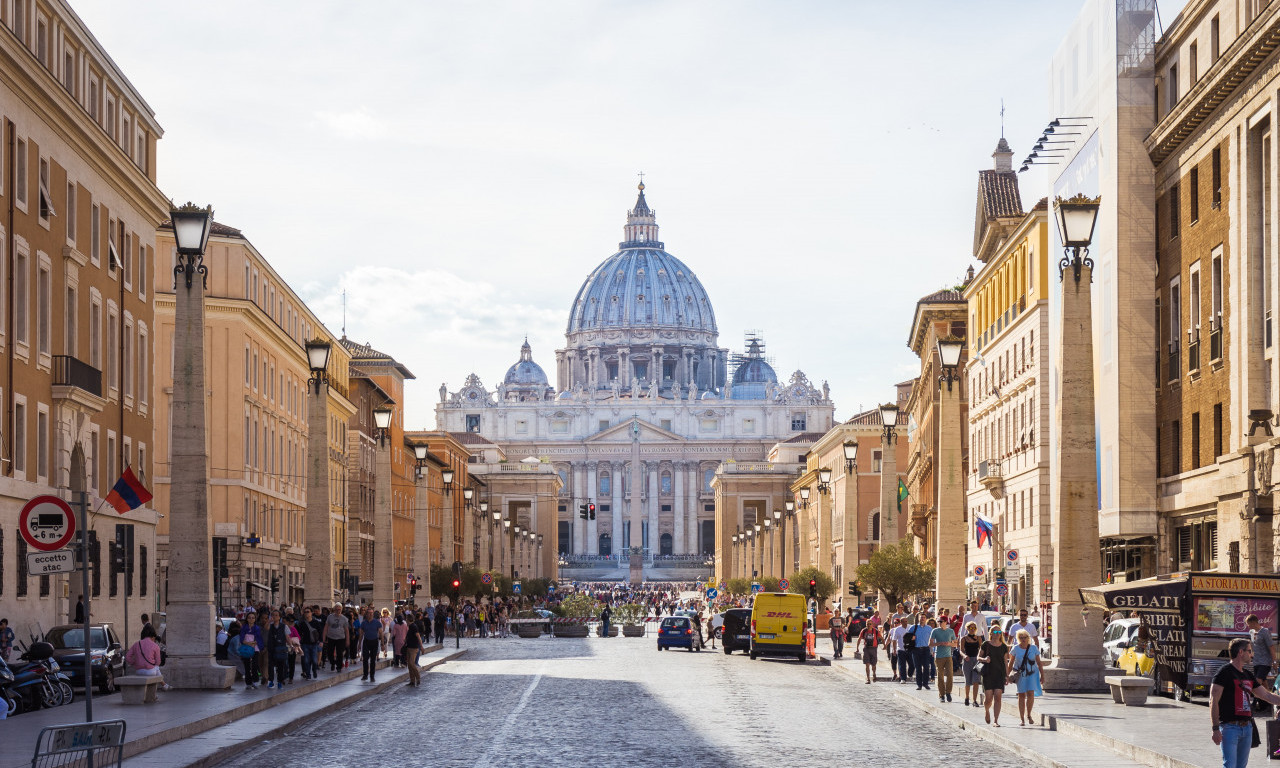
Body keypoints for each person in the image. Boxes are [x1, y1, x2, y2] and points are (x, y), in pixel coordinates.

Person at [1211, 637, 1280, 767]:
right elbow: (1213, 701)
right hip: (1229, 728)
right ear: (1240, 652)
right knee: (1230, 765)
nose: (1252, 654)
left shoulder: (1248, 674)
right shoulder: (1224, 673)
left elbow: (1266, 695)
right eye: (1249, 651)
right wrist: (1215, 729)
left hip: (1247, 728)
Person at [1011, 628, 1045, 725]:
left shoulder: (1034, 648)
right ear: (1018, 638)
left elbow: (1039, 662)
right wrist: (1007, 675)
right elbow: (1011, 663)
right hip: (1020, 674)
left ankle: (1029, 715)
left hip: (1032, 674)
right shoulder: (1015, 648)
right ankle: (1022, 719)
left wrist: (1042, 675)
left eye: (1025, 637)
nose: (1023, 639)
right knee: (1021, 695)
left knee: (1030, 694)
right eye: (1021, 637)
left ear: (1028, 638)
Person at [979, 627, 1009, 726]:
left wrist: (1007, 675)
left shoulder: (1004, 646)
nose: (997, 634)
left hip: (999, 675)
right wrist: (984, 659)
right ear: (991, 633)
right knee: (988, 698)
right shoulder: (985, 644)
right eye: (995, 632)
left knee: (998, 697)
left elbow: (1005, 662)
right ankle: (987, 710)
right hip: (988, 674)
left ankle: (996, 720)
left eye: (999, 632)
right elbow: (978, 657)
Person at [1247, 613, 1277, 711]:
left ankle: (1254, 703)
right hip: (1256, 661)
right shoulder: (1251, 632)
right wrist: (1250, 655)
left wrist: (1274, 662)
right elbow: (1252, 645)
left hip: (1265, 662)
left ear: (1254, 622)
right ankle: (1268, 704)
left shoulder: (1265, 632)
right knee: (1263, 684)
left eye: (1249, 624)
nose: (1248, 626)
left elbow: (1271, 647)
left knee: (1257, 681)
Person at [930, 612, 958, 703]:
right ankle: (941, 695)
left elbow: (956, 644)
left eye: (941, 621)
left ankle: (948, 692)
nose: (939, 623)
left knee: (950, 675)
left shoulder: (951, 631)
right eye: (938, 621)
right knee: (940, 676)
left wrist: (949, 644)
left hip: (948, 656)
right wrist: (939, 643)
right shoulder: (935, 631)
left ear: (946, 622)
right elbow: (930, 644)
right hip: (938, 656)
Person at [960, 621, 984, 707]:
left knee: (976, 681)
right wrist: (964, 656)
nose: (973, 629)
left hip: (977, 661)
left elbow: (981, 650)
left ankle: (974, 700)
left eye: (974, 628)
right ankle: (967, 697)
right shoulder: (963, 639)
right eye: (971, 628)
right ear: (967, 628)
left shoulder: (979, 638)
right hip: (967, 660)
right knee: (967, 681)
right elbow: (961, 650)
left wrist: (981, 659)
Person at [265, 610, 289, 689]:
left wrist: (291, 645)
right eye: (273, 615)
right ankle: (271, 681)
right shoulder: (270, 625)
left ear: (279, 617)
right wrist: (269, 621)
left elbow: (287, 637)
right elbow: (266, 628)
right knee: (270, 665)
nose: (274, 617)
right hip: (272, 648)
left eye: (276, 615)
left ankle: (279, 682)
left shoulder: (284, 626)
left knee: (280, 666)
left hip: (281, 648)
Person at [239, 613, 263, 690]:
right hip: (246, 648)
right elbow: (242, 639)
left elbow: (258, 638)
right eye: (249, 617)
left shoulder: (257, 628)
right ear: (247, 619)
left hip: (255, 648)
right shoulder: (244, 627)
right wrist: (248, 643)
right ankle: (248, 683)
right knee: (247, 666)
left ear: (255, 619)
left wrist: (253, 643)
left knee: (255, 665)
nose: (251, 619)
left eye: (253, 618)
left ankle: (255, 681)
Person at [324, 604, 349, 672]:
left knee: (340, 653)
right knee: (330, 653)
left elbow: (346, 630)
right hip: (331, 637)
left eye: (339, 609)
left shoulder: (344, 619)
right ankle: (332, 663)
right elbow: (326, 627)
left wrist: (347, 640)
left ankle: (339, 666)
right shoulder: (330, 617)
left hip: (341, 638)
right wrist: (324, 637)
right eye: (337, 609)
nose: (338, 611)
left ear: (341, 610)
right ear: (334, 610)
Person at [297, 607, 320, 679]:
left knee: (314, 659)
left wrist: (321, 641)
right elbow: (299, 633)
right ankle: (308, 674)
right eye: (305, 612)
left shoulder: (315, 622)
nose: (307, 613)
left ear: (311, 613)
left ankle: (314, 669)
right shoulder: (302, 623)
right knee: (306, 660)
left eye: (308, 612)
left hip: (314, 643)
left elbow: (320, 632)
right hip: (305, 644)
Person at [360, 607, 383, 682]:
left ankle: (372, 676)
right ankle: (365, 675)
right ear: (366, 614)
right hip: (366, 641)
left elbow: (381, 633)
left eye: (371, 613)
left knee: (373, 660)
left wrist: (382, 643)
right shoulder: (363, 623)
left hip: (374, 641)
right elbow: (361, 634)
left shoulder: (377, 622)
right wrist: (359, 644)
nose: (370, 614)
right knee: (365, 659)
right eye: (369, 613)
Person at [912, 618, 935, 690]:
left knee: (926, 667)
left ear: (925, 619)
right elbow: (907, 637)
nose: (922, 619)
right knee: (918, 668)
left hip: (926, 649)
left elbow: (932, 639)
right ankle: (919, 685)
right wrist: (911, 638)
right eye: (921, 617)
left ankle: (925, 683)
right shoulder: (913, 627)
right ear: (918, 619)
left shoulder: (929, 628)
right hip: (916, 649)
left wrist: (933, 650)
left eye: (924, 618)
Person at [403, 615, 423, 687]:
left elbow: (418, 636)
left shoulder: (414, 627)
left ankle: (418, 677)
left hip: (413, 648)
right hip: (409, 647)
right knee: (409, 665)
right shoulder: (410, 627)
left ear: (408, 620)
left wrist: (421, 646)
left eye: (406, 620)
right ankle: (412, 681)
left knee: (412, 663)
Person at [891, 616, 912, 683]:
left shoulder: (910, 627)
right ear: (901, 622)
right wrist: (894, 650)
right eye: (903, 621)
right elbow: (894, 640)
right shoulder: (897, 629)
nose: (905, 623)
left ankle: (910, 673)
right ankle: (903, 678)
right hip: (901, 649)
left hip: (910, 649)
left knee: (912, 664)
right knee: (902, 665)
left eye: (906, 621)